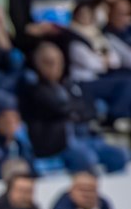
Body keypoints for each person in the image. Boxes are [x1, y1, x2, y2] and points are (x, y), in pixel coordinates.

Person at [18, 42, 129, 174]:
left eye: (58, 62)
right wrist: (74, 111)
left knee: (120, 155)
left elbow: (89, 109)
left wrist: (74, 112)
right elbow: (58, 108)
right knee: (86, 158)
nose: (55, 67)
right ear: (38, 64)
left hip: (87, 137)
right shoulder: (33, 90)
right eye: (49, 62)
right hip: (59, 143)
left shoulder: (72, 86)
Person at [67, 0, 131, 122]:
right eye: (82, 15)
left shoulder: (97, 35)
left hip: (100, 77)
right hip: (83, 82)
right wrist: (103, 61)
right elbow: (91, 63)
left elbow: (115, 60)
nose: (85, 18)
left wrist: (103, 60)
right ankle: (116, 117)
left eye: (88, 15)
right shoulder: (72, 37)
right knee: (127, 82)